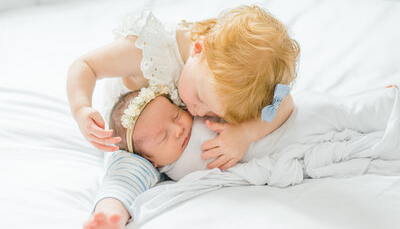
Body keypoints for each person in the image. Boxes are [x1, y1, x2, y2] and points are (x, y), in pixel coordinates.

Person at [84, 84, 400, 228]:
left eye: (175, 117)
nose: (179, 129)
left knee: (345, 113)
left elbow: (280, 93)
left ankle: (387, 98)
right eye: (164, 136)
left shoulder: (199, 112)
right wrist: (109, 214)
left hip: (286, 121)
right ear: (148, 158)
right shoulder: (150, 164)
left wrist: (243, 128)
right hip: (286, 150)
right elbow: (122, 183)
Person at [66, 5, 300, 171]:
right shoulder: (150, 51)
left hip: (173, 139)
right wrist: (81, 109)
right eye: (199, 97)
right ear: (198, 49)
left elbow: (284, 102)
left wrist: (246, 134)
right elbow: (85, 65)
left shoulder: (233, 85)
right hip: (130, 130)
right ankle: (111, 206)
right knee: (127, 170)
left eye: (212, 113)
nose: (198, 111)